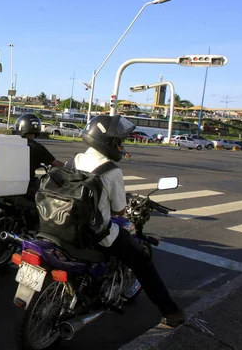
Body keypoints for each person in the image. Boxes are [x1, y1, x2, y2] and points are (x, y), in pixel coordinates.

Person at [74, 115, 185, 328]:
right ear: (108, 142)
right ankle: (171, 312)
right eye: (118, 141)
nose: (121, 146)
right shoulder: (111, 170)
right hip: (96, 233)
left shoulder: (76, 159)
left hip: (66, 226)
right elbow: (119, 210)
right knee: (142, 261)